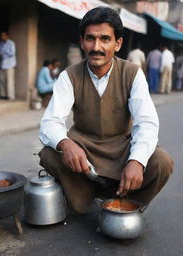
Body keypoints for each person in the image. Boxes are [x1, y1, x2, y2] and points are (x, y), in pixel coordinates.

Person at [38, 7, 173, 214]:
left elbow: (146, 122)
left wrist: (136, 161)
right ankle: (85, 196)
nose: (96, 47)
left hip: (121, 149)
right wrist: (66, 144)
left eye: (105, 39)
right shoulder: (69, 76)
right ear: (82, 41)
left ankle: (126, 203)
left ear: (117, 44)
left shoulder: (132, 74)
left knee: (161, 162)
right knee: (49, 153)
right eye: (90, 38)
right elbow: (50, 122)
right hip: (85, 150)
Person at [0, 31, 16, 101]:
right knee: (1, 80)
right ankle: (3, 95)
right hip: (2, 64)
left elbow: (12, 53)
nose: (2, 37)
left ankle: (11, 96)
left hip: (9, 64)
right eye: (1, 36)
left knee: (9, 81)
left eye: (3, 36)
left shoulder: (11, 43)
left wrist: (3, 52)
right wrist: (1, 53)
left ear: (7, 36)